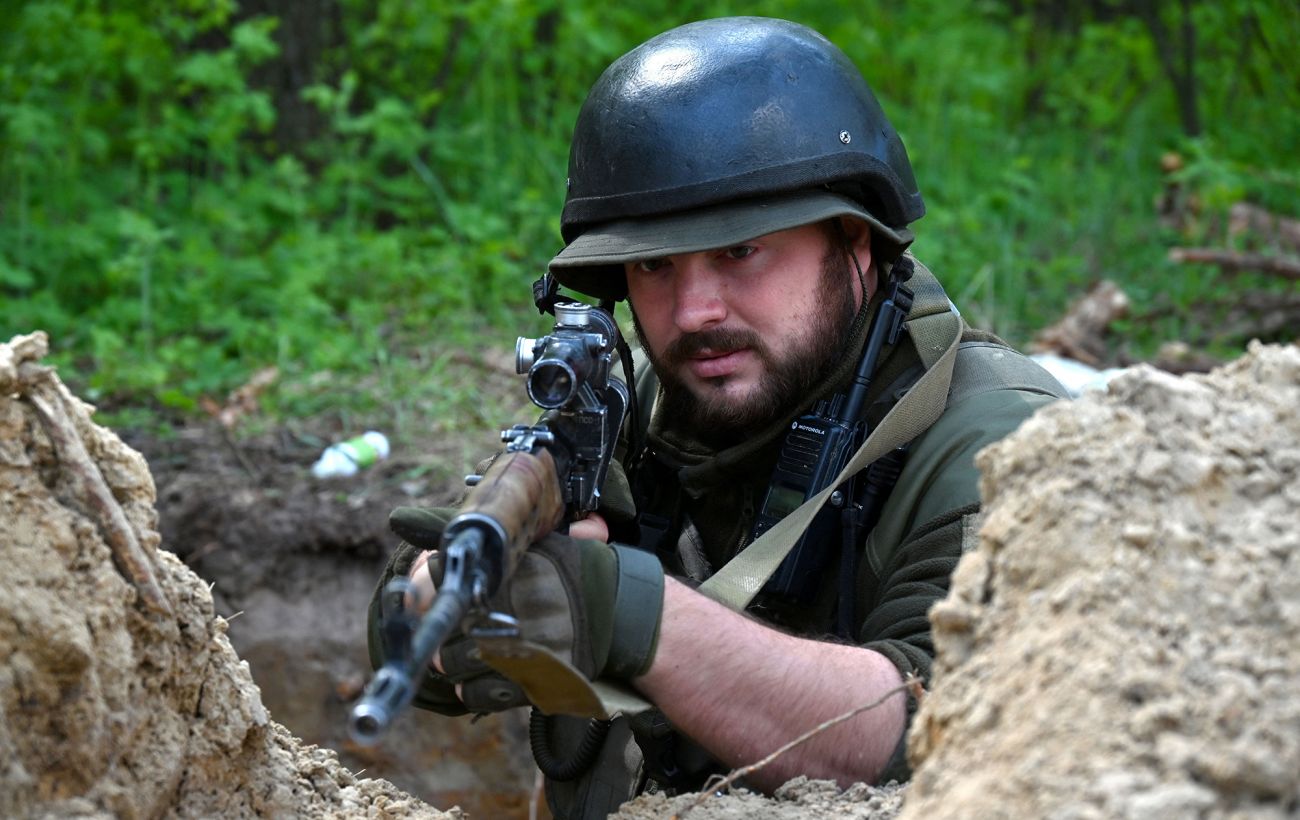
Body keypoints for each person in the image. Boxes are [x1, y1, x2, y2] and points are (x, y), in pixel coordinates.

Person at [367, 16, 1067, 817]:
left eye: (741, 251)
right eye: (654, 264)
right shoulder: (642, 403)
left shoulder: (1004, 447)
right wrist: (439, 603)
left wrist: (627, 614)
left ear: (856, 241)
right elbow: (413, 654)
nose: (694, 310)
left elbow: (964, 734)